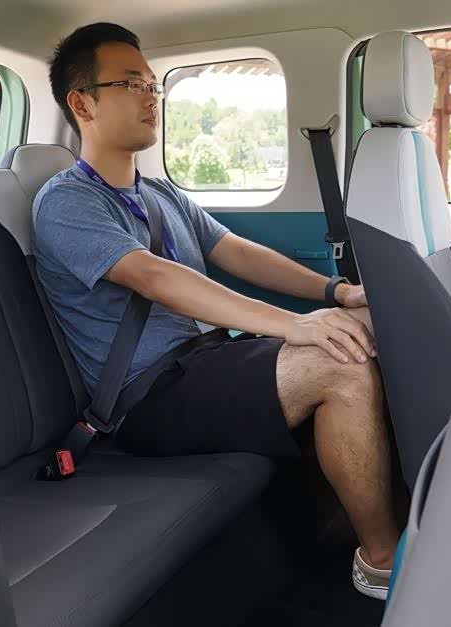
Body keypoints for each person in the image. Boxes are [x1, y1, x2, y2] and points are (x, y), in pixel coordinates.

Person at [33, 22, 399, 599]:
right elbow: (155, 277)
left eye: (153, 84)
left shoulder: (161, 194)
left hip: (205, 364)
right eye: (131, 83)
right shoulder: (66, 202)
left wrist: (336, 294)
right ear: (83, 103)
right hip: (149, 397)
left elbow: (236, 251)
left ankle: (350, 523)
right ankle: (383, 566)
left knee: (370, 329)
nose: (151, 96)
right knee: (339, 364)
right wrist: (294, 324)